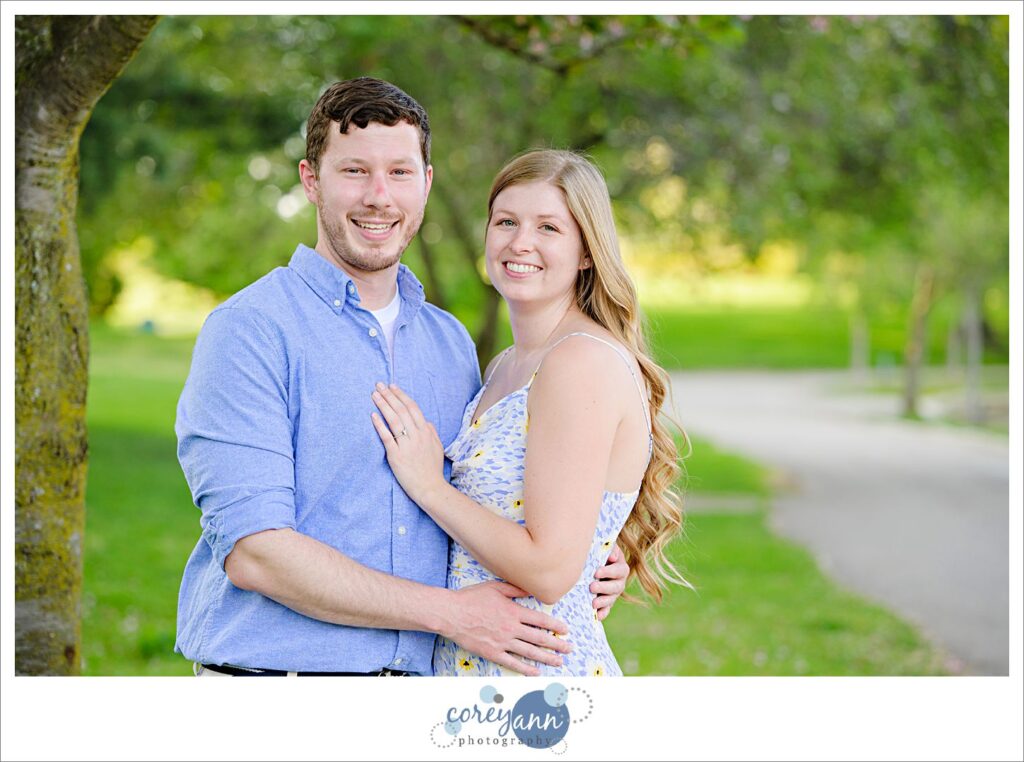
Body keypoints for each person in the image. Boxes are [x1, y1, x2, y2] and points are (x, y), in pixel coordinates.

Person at [174, 78, 629, 677]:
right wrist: (450, 614)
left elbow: (504, 480)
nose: (379, 197)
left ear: (427, 183)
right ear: (312, 181)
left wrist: (596, 546)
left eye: (399, 173)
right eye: (355, 172)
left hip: (429, 693)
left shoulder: (450, 344)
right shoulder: (251, 330)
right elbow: (256, 555)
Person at [369, 149, 689, 676]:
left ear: (587, 252)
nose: (521, 243)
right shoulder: (504, 366)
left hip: (539, 682)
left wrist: (429, 486)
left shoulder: (579, 361)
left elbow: (548, 570)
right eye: (507, 222)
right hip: (473, 673)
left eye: (549, 228)